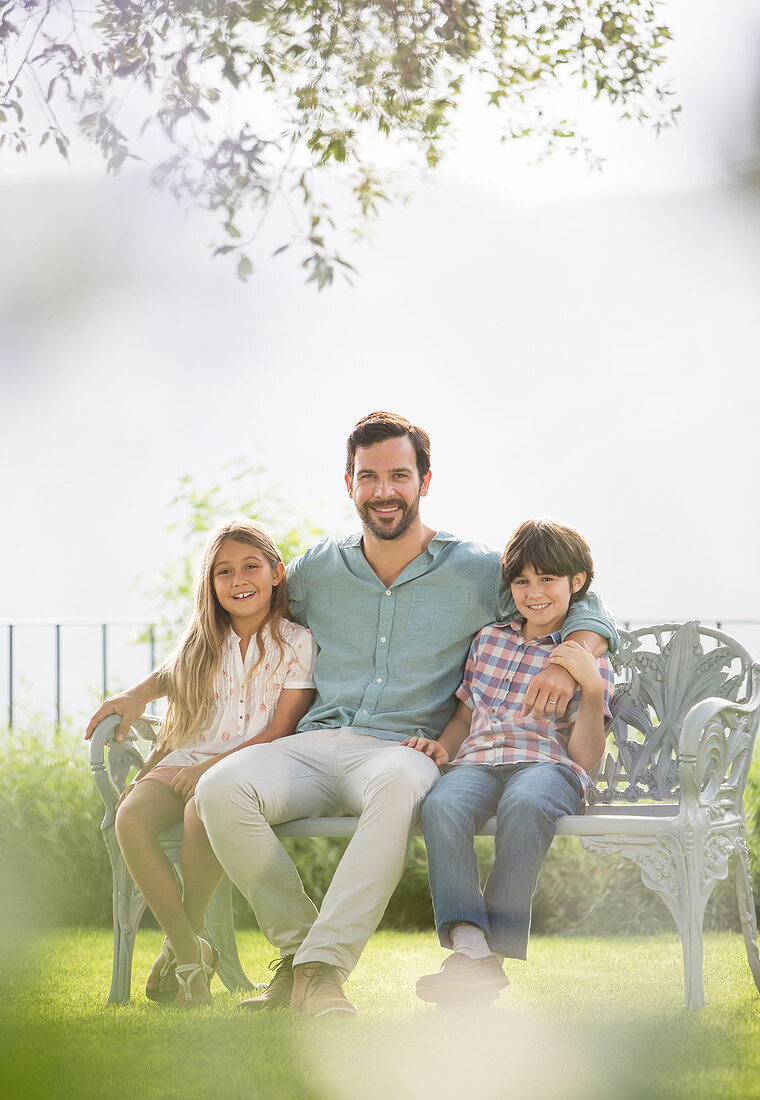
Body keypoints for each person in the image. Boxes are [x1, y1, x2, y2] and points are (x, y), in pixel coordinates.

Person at [86, 411, 617, 1018]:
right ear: (349, 484)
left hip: (404, 751)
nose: (384, 491)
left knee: (398, 783)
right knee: (221, 786)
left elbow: (580, 597)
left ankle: (320, 969)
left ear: (424, 480)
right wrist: (142, 692)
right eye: (369, 477)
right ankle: (301, 954)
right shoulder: (317, 570)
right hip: (315, 742)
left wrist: (567, 661)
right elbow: (226, 626)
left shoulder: (475, 570)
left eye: (398, 475)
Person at [91, 520, 316, 1007]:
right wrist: (135, 694)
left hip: (251, 765)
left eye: (251, 567)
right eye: (224, 572)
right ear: (210, 584)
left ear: (277, 573)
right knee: (130, 815)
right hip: (186, 756)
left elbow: (279, 729)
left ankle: (183, 950)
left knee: (202, 809)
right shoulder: (203, 639)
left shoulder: (296, 642)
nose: (238, 581)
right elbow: (168, 676)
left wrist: (208, 770)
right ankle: (193, 947)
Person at [406, 518, 614, 1006]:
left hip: (546, 767)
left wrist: (592, 689)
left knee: (525, 802)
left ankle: (490, 952)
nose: (533, 592)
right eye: (522, 581)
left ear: (575, 584)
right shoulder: (490, 639)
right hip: (477, 763)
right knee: (441, 804)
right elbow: (464, 716)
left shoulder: (583, 652)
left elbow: (585, 757)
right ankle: (470, 946)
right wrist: (443, 748)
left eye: (547, 579)